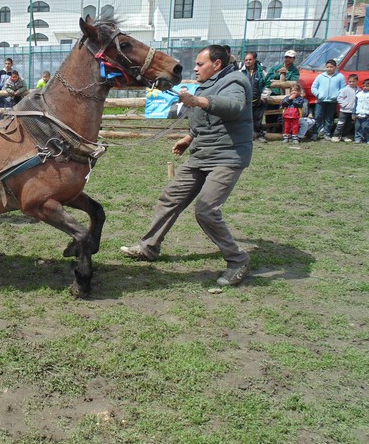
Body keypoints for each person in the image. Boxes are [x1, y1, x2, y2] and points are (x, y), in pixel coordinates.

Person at [120, 44, 253, 287]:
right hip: (202, 154)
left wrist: (198, 100)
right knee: (171, 197)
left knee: (206, 210)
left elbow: (234, 107)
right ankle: (149, 247)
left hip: (228, 156)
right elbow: (207, 119)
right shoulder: (207, 84)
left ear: (217, 64)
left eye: (200, 64)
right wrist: (189, 137)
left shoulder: (235, 80)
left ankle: (238, 260)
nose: (195, 67)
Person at [310, 59, 346, 141]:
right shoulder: (320, 76)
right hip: (320, 100)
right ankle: (315, 133)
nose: (329, 68)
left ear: (335, 67)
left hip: (332, 101)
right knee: (318, 117)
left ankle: (327, 133)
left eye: (331, 67)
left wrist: (336, 95)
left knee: (329, 118)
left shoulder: (340, 76)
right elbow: (314, 87)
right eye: (327, 67)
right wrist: (318, 94)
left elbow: (343, 89)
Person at [263, 50, 299, 133]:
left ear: (293, 59)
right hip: (273, 92)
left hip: (287, 94)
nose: (287, 59)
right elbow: (268, 78)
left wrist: (284, 76)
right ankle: (269, 127)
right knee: (270, 111)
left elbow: (294, 81)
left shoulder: (295, 71)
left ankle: (279, 128)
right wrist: (278, 74)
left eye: (290, 58)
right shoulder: (275, 68)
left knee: (283, 112)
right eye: (286, 57)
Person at [239, 52, 267, 143]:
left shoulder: (261, 72)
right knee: (244, 120)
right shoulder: (240, 72)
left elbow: (267, 84)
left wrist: (264, 96)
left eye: (250, 59)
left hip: (258, 100)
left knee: (258, 120)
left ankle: (259, 135)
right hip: (245, 100)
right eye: (246, 60)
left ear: (254, 60)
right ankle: (244, 137)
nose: (248, 61)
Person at [331, 73, 359, 142]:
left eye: (353, 81)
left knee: (349, 124)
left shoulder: (359, 90)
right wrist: (345, 104)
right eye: (350, 81)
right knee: (340, 123)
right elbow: (339, 98)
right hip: (344, 111)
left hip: (353, 111)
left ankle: (344, 135)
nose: (351, 83)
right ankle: (335, 135)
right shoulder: (345, 89)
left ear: (357, 81)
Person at [354, 79, 369, 144]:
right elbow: (355, 104)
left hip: (366, 114)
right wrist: (353, 113)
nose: (365, 87)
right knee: (358, 127)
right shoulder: (359, 94)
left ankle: (366, 138)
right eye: (364, 86)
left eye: (367, 86)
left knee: (365, 127)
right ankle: (358, 138)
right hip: (358, 114)